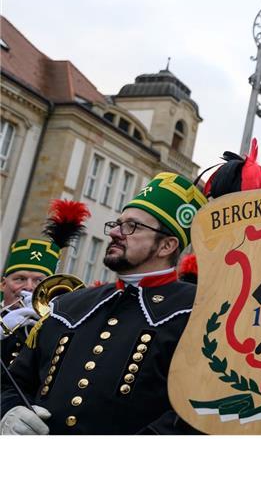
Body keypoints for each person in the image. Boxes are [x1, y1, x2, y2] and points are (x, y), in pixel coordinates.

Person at [1, 172, 206, 435]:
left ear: (166, 245)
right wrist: (9, 412)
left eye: (133, 226)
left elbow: (199, 407)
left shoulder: (198, 311)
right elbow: (10, 383)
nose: (115, 233)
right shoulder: (68, 305)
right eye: (118, 223)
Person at [2, 200, 89, 367]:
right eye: (20, 279)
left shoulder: (58, 328)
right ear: (3, 284)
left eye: (39, 281)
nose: (28, 287)